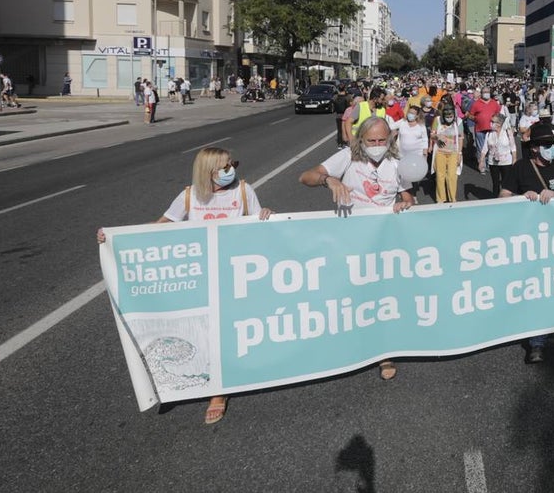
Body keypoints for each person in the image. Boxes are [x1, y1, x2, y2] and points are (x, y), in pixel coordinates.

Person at [98, 146, 273, 424]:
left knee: (226, 328)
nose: (232, 170)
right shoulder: (189, 196)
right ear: (208, 171)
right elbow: (161, 226)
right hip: (199, 277)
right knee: (207, 331)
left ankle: (221, 387)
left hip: (233, 273)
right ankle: (216, 384)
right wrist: (117, 238)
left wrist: (265, 214)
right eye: (226, 166)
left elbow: (258, 223)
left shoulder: (243, 190)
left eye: (233, 164)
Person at [299, 116, 414, 381]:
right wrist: (329, 181)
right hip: (346, 241)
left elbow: (408, 196)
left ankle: (384, 353)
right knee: (346, 296)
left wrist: (404, 203)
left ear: (390, 140)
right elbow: (305, 176)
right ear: (361, 139)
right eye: (371, 140)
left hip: (381, 241)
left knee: (381, 297)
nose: (376, 145)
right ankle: (342, 348)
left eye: (381, 140)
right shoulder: (347, 157)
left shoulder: (398, 165)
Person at [500, 123, 554, 363]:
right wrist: (522, 200)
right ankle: (536, 343)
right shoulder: (520, 168)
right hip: (529, 241)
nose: (552, 149)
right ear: (534, 149)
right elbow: (502, 198)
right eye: (547, 145)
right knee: (536, 290)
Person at [430, 100, 463, 203]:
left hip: (453, 152)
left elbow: (461, 137)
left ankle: (452, 198)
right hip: (440, 151)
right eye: (447, 116)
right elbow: (431, 134)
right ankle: (441, 199)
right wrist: (437, 136)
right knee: (440, 176)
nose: (449, 118)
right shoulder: (437, 120)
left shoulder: (459, 121)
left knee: (452, 176)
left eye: (451, 115)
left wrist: (460, 154)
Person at [478, 112, 517, 197]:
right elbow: (485, 148)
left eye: (493, 121)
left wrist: (514, 159)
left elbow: (513, 147)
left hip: (506, 162)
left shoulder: (507, 132)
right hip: (493, 161)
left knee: (506, 183)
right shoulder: (489, 134)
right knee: (495, 183)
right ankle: (495, 200)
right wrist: (481, 161)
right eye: (491, 121)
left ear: (499, 124)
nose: (490, 123)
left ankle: (506, 200)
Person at [469, 88, 501, 157]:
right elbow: (470, 115)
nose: (486, 93)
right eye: (484, 92)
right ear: (481, 93)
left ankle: (489, 165)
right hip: (480, 130)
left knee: (491, 148)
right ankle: (482, 166)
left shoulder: (494, 103)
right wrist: (476, 119)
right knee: (481, 149)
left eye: (488, 92)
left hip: (491, 130)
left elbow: (499, 114)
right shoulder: (476, 103)